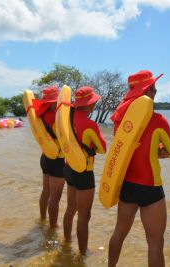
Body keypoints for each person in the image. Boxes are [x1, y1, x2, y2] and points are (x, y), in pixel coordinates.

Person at [108, 70, 170, 267]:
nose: (155, 93)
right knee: (155, 244)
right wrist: (157, 151)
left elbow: (122, 150)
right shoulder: (158, 120)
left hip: (127, 185)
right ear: (147, 93)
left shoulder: (119, 120)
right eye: (153, 90)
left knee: (119, 233)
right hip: (150, 187)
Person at [63, 86, 107, 254]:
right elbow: (102, 148)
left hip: (68, 168)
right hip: (84, 173)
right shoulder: (90, 124)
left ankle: (66, 242)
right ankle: (83, 253)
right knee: (84, 215)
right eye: (94, 102)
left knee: (70, 208)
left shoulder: (66, 119)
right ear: (88, 104)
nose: (94, 105)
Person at [32, 86, 65, 228]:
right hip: (57, 159)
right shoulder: (56, 116)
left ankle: (42, 219)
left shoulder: (40, 115)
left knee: (45, 191)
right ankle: (53, 227)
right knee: (55, 197)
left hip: (45, 157)